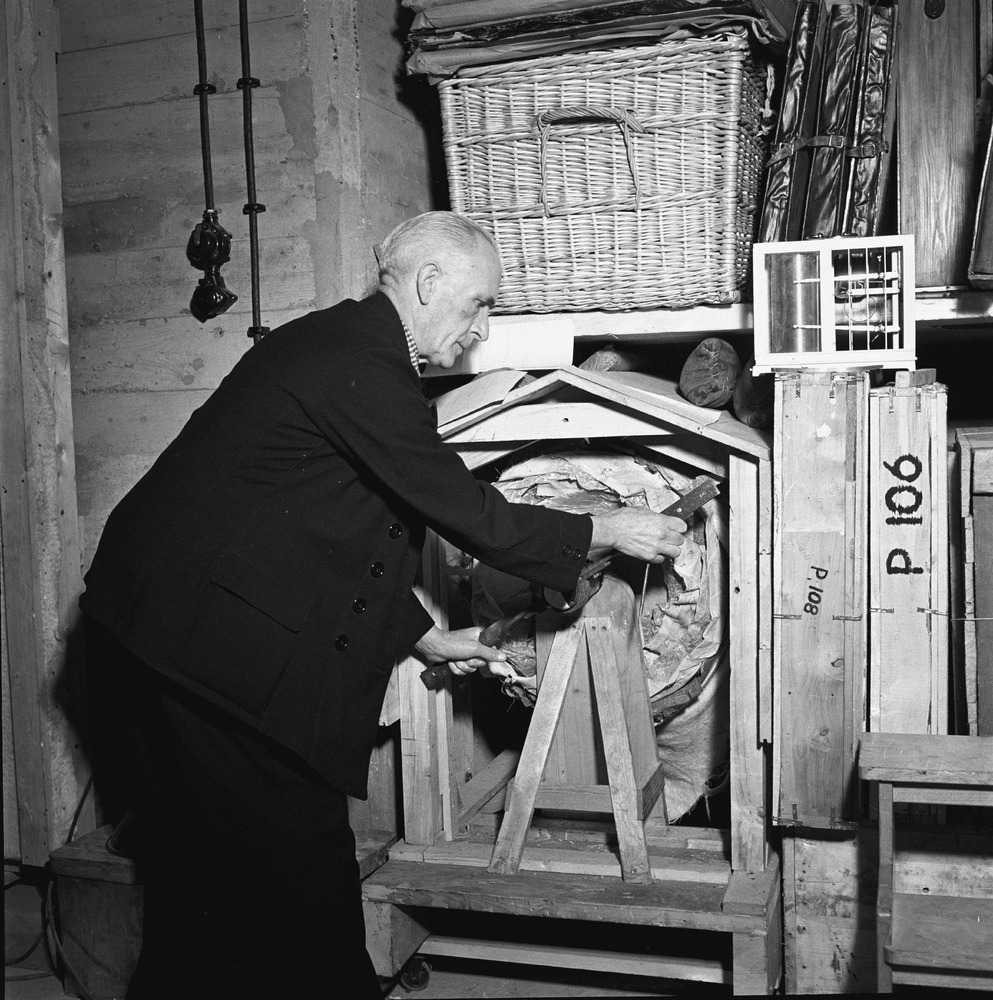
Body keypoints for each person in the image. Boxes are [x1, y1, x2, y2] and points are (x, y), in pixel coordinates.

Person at [79, 211, 686, 998]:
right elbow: (457, 505)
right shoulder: (359, 357)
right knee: (299, 874)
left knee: (203, 887)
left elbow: (326, 539)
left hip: (165, 631)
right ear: (429, 282)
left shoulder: (351, 351)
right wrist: (608, 527)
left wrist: (425, 637)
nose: (482, 328)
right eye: (480, 303)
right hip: (194, 648)